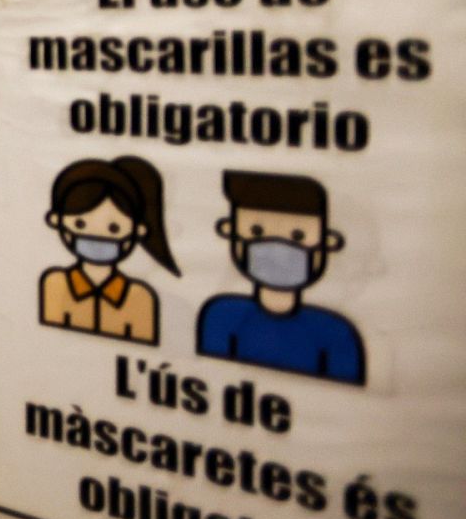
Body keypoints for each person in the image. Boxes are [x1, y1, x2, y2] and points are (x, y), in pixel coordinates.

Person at [196, 171, 363, 385]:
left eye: (298, 237)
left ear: (328, 242)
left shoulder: (334, 332)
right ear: (229, 231)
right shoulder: (222, 315)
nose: (275, 247)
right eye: (256, 231)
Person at [38, 157, 179, 346]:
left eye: (114, 228)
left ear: (138, 231)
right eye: (80, 224)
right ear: (56, 220)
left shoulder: (138, 297)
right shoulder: (54, 283)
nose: (96, 238)